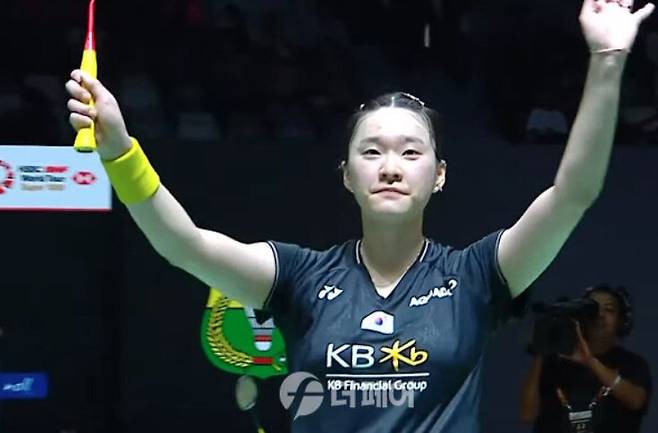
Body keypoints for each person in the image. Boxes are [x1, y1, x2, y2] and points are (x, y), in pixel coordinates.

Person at [64, 1, 654, 432]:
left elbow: (573, 193)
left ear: (439, 175)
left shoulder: (477, 277)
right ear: (347, 175)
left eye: (411, 152)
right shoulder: (297, 276)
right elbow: (184, 245)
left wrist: (607, 61)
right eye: (371, 152)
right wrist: (120, 151)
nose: (390, 167)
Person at [519, 285, 652, 433]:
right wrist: (541, 349)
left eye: (609, 310)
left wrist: (591, 361)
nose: (600, 315)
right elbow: (527, 415)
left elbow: (636, 400)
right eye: (592, 309)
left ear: (621, 320)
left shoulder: (632, 363)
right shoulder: (554, 363)